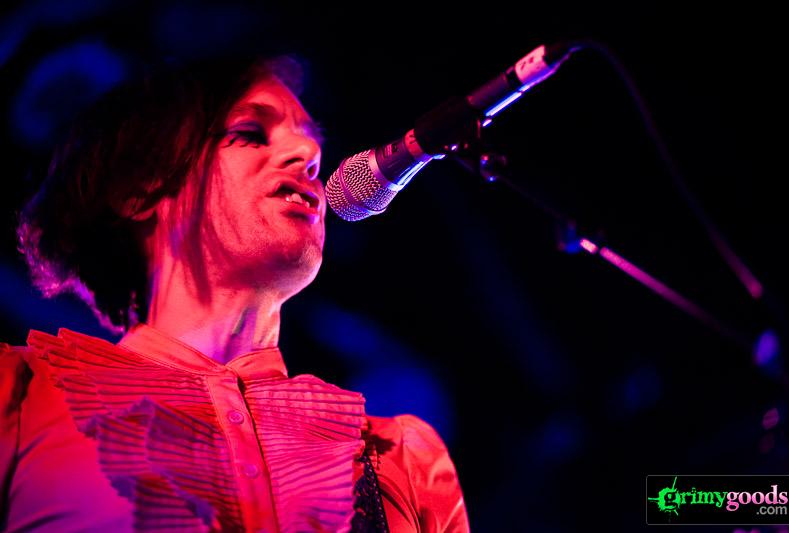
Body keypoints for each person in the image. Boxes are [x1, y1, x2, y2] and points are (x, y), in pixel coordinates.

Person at [0, 55, 469, 532]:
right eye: (249, 133)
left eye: (313, 147)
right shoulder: (21, 399)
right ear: (139, 190)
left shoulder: (401, 460)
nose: (307, 153)